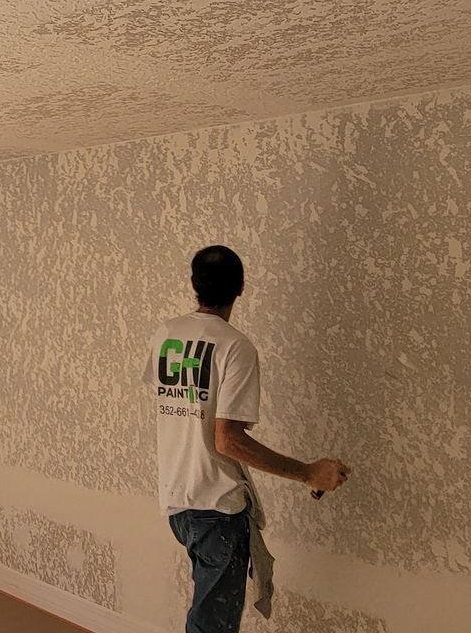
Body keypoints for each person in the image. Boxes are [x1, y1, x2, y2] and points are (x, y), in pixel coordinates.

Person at [148, 245, 350, 632]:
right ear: (241, 288)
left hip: (178, 502)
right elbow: (227, 441)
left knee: (207, 617)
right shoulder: (234, 347)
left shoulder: (167, 335)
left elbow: (179, 408)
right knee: (212, 626)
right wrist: (308, 472)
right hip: (217, 508)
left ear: (194, 285)